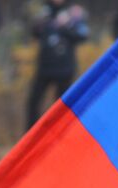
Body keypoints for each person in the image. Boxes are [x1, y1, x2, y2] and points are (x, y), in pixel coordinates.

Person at [26, 0, 88, 128]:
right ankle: (30, 135)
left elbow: (82, 35)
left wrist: (64, 27)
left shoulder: (74, 11)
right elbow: (34, 32)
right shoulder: (44, 10)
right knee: (33, 101)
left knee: (62, 106)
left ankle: (60, 133)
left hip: (65, 67)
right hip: (45, 66)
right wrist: (44, 23)